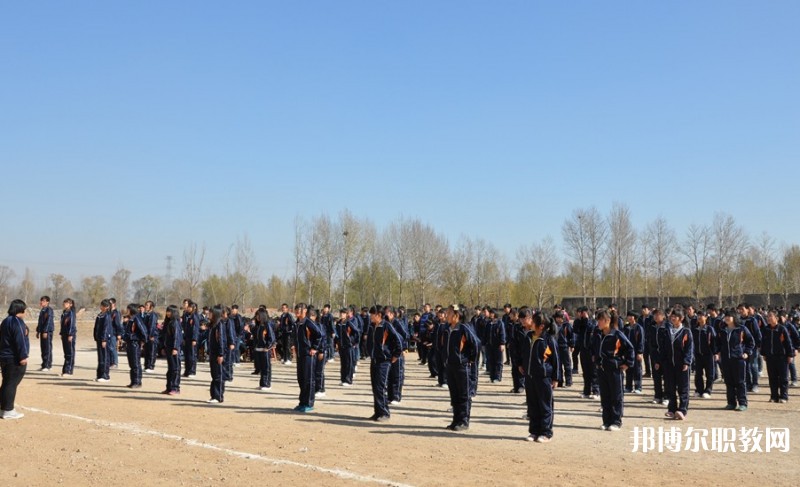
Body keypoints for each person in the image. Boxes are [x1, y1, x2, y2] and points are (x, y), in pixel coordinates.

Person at [518, 309, 558, 443]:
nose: (530, 323)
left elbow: (556, 360)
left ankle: (546, 433)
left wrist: (556, 378)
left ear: (541, 326)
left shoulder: (548, 340)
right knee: (533, 405)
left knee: (545, 406)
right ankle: (534, 431)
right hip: (529, 377)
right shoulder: (528, 336)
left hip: (544, 378)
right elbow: (522, 352)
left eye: (533, 321)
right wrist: (520, 364)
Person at [592, 309, 634, 432]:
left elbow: (630, 348)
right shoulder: (598, 334)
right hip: (602, 369)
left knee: (616, 396)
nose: (598, 323)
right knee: (605, 396)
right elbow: (594, 348)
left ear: (607, 321)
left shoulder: (616, 334)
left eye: (600, 320)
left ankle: (616, 421)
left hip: (614, 369)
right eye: (597, 320)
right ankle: (606, 421)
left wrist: (627, 363)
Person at [444, 305, 479, 432]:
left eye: (449, 313)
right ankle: (456, 420)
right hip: (450, 366)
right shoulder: (447, 329)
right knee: (454, 395)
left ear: (456, 315)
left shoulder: (464, 328)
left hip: (462, 366)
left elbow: (475, 344)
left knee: (463, 395)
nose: (446, 315)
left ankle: (464, 421)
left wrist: (469, 360)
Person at [655, 308, 694, 420]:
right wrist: (658, 361)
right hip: (668, 364)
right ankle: (672, 409)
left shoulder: (686, 332)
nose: (673, 318)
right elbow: (662, 348)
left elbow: (689, 349)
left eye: (675, 316)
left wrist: (687, 362)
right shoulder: (667, 331)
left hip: (681, 364)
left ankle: (682, 410)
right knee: (670, 387)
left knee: (683, 388)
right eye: (672, 316)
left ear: (681, 319)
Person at [367, 305, 402, 422]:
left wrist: (395, 356)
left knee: (381, 387)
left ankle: (384, 413)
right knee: (375, 387)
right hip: (374, 359)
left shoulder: (386, 326)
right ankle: (377, 412)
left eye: (372, 314)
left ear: (379, 315)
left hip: (384, 361)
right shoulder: (372, 326)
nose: (370, 316)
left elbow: (398, 341)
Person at [715, 311, 755, 411]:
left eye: (729, 316)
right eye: (726, 316)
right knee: (729, 382)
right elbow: (717, 343)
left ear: (734, 317)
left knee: (740, 382)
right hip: (726, 359)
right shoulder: (722, 330)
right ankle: (731, 403)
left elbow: (751, 342)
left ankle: (743, 403)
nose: (727, 318)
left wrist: (746, 352)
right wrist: (718, 352)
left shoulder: (741, 329)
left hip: (738, 359)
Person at [0, 300, 30, 420]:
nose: (26, 312)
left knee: (7, 383)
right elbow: (20, 340)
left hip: (5, 357)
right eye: (25, 310)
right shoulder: (17, 322)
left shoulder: (5, 321)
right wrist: (23, 356)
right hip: (14, 358)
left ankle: (3, 407)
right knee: (11, 384)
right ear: (20, 310)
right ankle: (8, 410)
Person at [761, 310, 794, 403]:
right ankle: (774, 396)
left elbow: (788, 343)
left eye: (771, 316)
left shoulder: (782, 329)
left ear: (776, 318)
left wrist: (790, 355)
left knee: (783, 378)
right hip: (770, 357)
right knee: (772, 378)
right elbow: (763, 342)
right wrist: (764, 353)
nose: (769, 318)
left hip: (782, 357)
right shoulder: (766, 330)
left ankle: (784, 396)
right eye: (768, 317)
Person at [294, 304, 322, 413]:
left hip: (308, 355)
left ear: (305, 311)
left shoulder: (308, 322)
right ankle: (302, 402)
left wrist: (314, 348)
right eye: (296, 309)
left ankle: (309, 403)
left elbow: (319, 335)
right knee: (301, 379)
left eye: (299, 309)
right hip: (300, 355)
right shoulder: (297, 323)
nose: (297, 311)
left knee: (308, 379)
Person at [386, 306, 409, 405]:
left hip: (397, 352)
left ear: (391, 314)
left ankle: (396, 396)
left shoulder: (398, 323)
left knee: (397, 375)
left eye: (386, 313)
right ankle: (390, 396)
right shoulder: (386, 324)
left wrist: (402, 348)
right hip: (389, 352)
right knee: (389, 375)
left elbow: (405, 335)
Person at [692, 310, 717, 398]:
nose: (699, 317)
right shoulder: (694, 329)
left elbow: (714, 342)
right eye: (698, 316)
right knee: (698, 373)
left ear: (706, 317)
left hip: (708, 354)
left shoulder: (710, 329)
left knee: (709, 374)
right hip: (698, 354)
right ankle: (699, 390)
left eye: (702, 315)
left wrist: (715, 353)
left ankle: (708, 390)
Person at [123, 303, 147, 389]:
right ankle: (133, 381)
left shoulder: (137, 319)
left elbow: (143, 331)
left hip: (135, 343)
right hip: (130, 343)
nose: (127, 311)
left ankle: (137, 381)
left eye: (128, 309)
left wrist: (142, 341)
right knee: (132, 363)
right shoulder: (131, 319)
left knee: (136, 363)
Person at [252, 308, 277, 391]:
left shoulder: (267, 325)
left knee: (266, 367)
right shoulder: (257, 326)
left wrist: (267, 347)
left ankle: (267, 384)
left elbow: (271, 338)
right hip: (258, 349)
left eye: (258, 315)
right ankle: (262, 383)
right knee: (261, 367)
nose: (257, 317)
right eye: (256, 316)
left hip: (265, 350)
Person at [207, 307, 227, 404]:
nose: (208, 314)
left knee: (218, 375)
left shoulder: (220, 325)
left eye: (210, 313)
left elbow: (221, 341)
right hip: (212, 353)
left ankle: (218, 396)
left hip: (218, 354)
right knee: (214, 375)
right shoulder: (212, 325)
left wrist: (221, 354)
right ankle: (213, 395)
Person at [162, 305, 183, 395]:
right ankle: (169, 387)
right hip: (168, 348)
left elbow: (177, 337)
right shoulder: (168, 322)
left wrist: (175, 348)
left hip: (174, 349)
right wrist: (163, 347)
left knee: (175, 369)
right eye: (167, 311)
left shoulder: (175, 322)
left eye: (170, 311)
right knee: (170, 369)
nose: (168, 313)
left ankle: (175, 388)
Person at [648, 309, 668, 405]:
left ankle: (667, 396)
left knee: (667, 377)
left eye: (658, 315)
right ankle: (658, 396)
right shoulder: (652, 327)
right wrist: (655, 357)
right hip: (655, 356)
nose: (656, 317)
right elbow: (651, 342)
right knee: (656, 377)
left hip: (665, 356)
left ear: (663, 316)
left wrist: (662, 357)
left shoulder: (667, 327)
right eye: (654, 315)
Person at [622, 311, 644, 394]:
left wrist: (640, 352)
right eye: (628, 316)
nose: (629, 318)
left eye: (631, 316)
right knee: (628, 369)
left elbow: (641, 341)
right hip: (627, 352)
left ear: (634, 317)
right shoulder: (626, 327)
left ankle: (638, 387)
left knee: (637, 369)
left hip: (636, 352)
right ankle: (628, 387)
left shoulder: (639, 328)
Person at [93, 300, 113, 382]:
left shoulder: (107, 316)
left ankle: (105, 375)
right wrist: (95, 336)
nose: (101, 307)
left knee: (105, 357)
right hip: (99, 338)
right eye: (101, 305)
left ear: (107, 307)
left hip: (104, 339)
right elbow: (96, 327)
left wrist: (104, 339)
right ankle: (99, 375)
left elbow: (106, 328)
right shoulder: (100, 315)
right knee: (100, 357)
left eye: (103, 306)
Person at [486, 308, 507, 383]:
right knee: (491, 361)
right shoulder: (488, 323)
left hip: (498, 345)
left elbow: (502, 334)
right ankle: (492, 377)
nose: (490, 314)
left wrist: (502, 343)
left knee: (498, 362)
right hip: (490, 345)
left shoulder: (500, 323)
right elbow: (486, 334)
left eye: (491, 313)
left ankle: (497, 377)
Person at [553, 310, 573, 388]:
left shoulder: (566, 325)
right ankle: (560, 381)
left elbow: (571, 335)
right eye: (557, 318)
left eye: (560, 318)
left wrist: (572, 345)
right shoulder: (554, 325)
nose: (558, 319)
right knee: (558, 365)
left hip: (564, 346)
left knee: (567, 365)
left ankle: (569, 381)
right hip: (556, 347)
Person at [181, 300, 200, 378]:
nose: (188, 308)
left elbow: (195, 328)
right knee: (187, 355)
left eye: (190, 307)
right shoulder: (185, 315)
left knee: (192, 355)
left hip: (192, 338)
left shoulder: (194, 316)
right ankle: (187, 370)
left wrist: (194, 339)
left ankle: (192, 371)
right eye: (188, 307)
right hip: (186, 337)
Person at [59, 298, 77, 376]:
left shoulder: (71, 313)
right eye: (64, 303)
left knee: (70, 352)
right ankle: (65, 369)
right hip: (64, 334)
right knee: (66, 353)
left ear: (70, 304)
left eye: (67, 303)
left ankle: (69, 370)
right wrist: (62, 333)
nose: (65, 304)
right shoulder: (64, 313)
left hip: (69, 335)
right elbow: (62, 325)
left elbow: (71, 325)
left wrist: (70, 334)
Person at [36, 296, 54, 372]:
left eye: (43, 301)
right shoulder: (42, 310)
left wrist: (45, 331)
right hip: (42, 331)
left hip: (47, 332)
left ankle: (48, 365)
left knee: (47, 348)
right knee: (43, 348)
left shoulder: (49, 310)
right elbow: (40, 322)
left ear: (47, 302)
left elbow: (48, 321)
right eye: (41, 300)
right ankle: (44, 364)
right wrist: (38, 331)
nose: (41, 302)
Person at [143, 301, 159, 372]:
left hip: (152, 335)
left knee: (152, 351)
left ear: (151, 307)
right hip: (146, 335)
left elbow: (152, 326)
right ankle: (146, 365)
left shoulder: (153, 315)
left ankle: (151, 366)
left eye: (147, 305)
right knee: (146, 351)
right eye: (145, 305)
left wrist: (151, 335)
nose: (145, 306)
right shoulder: (146, 314)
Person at [108, 298, 123, 369]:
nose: (109, 305)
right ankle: (110, 362)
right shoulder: (108, 312)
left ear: (114, 304)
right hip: (108, 333)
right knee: (109, 348)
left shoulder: (116, 313)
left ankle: (114, 363)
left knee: (112, 348)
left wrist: (119, 334)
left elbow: (118, 324)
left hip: (113, 333)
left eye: (110, 303)